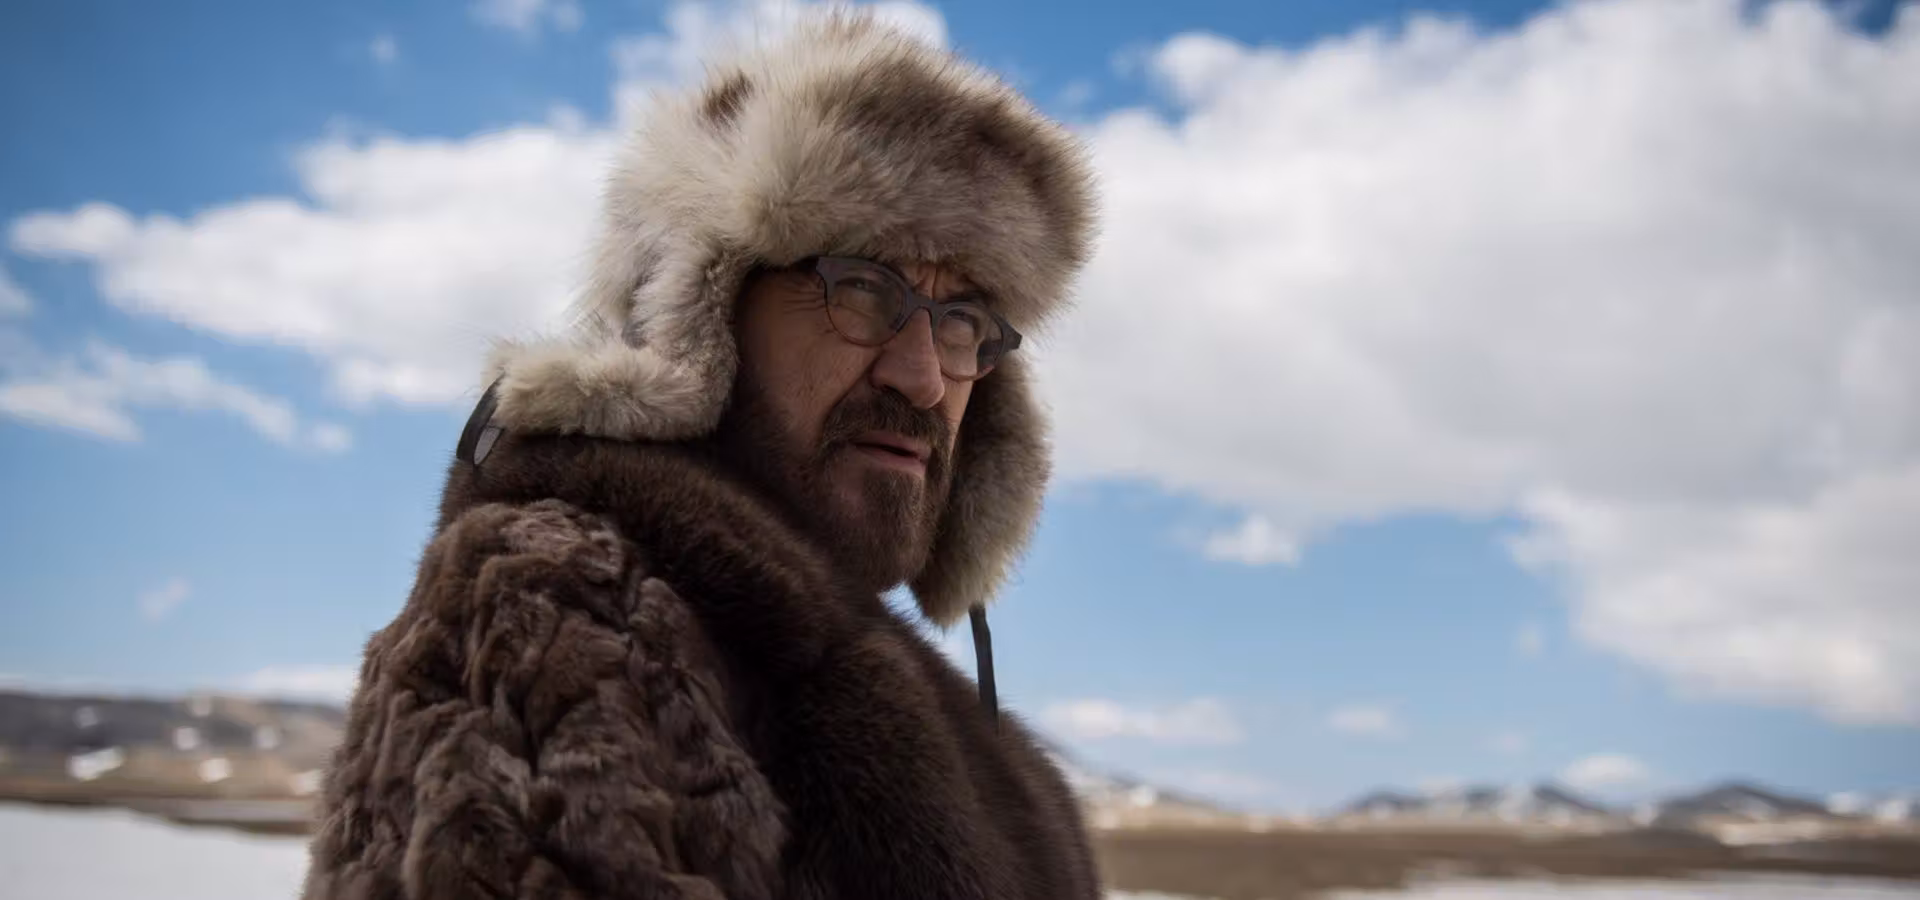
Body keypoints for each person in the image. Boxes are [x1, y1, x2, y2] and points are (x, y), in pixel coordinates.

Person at [302, 13, 1100, 900]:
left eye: (963, 323)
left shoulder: (871, 678)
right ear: (702, 327)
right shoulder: (559, 610)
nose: (921, 377)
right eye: (863, 290)